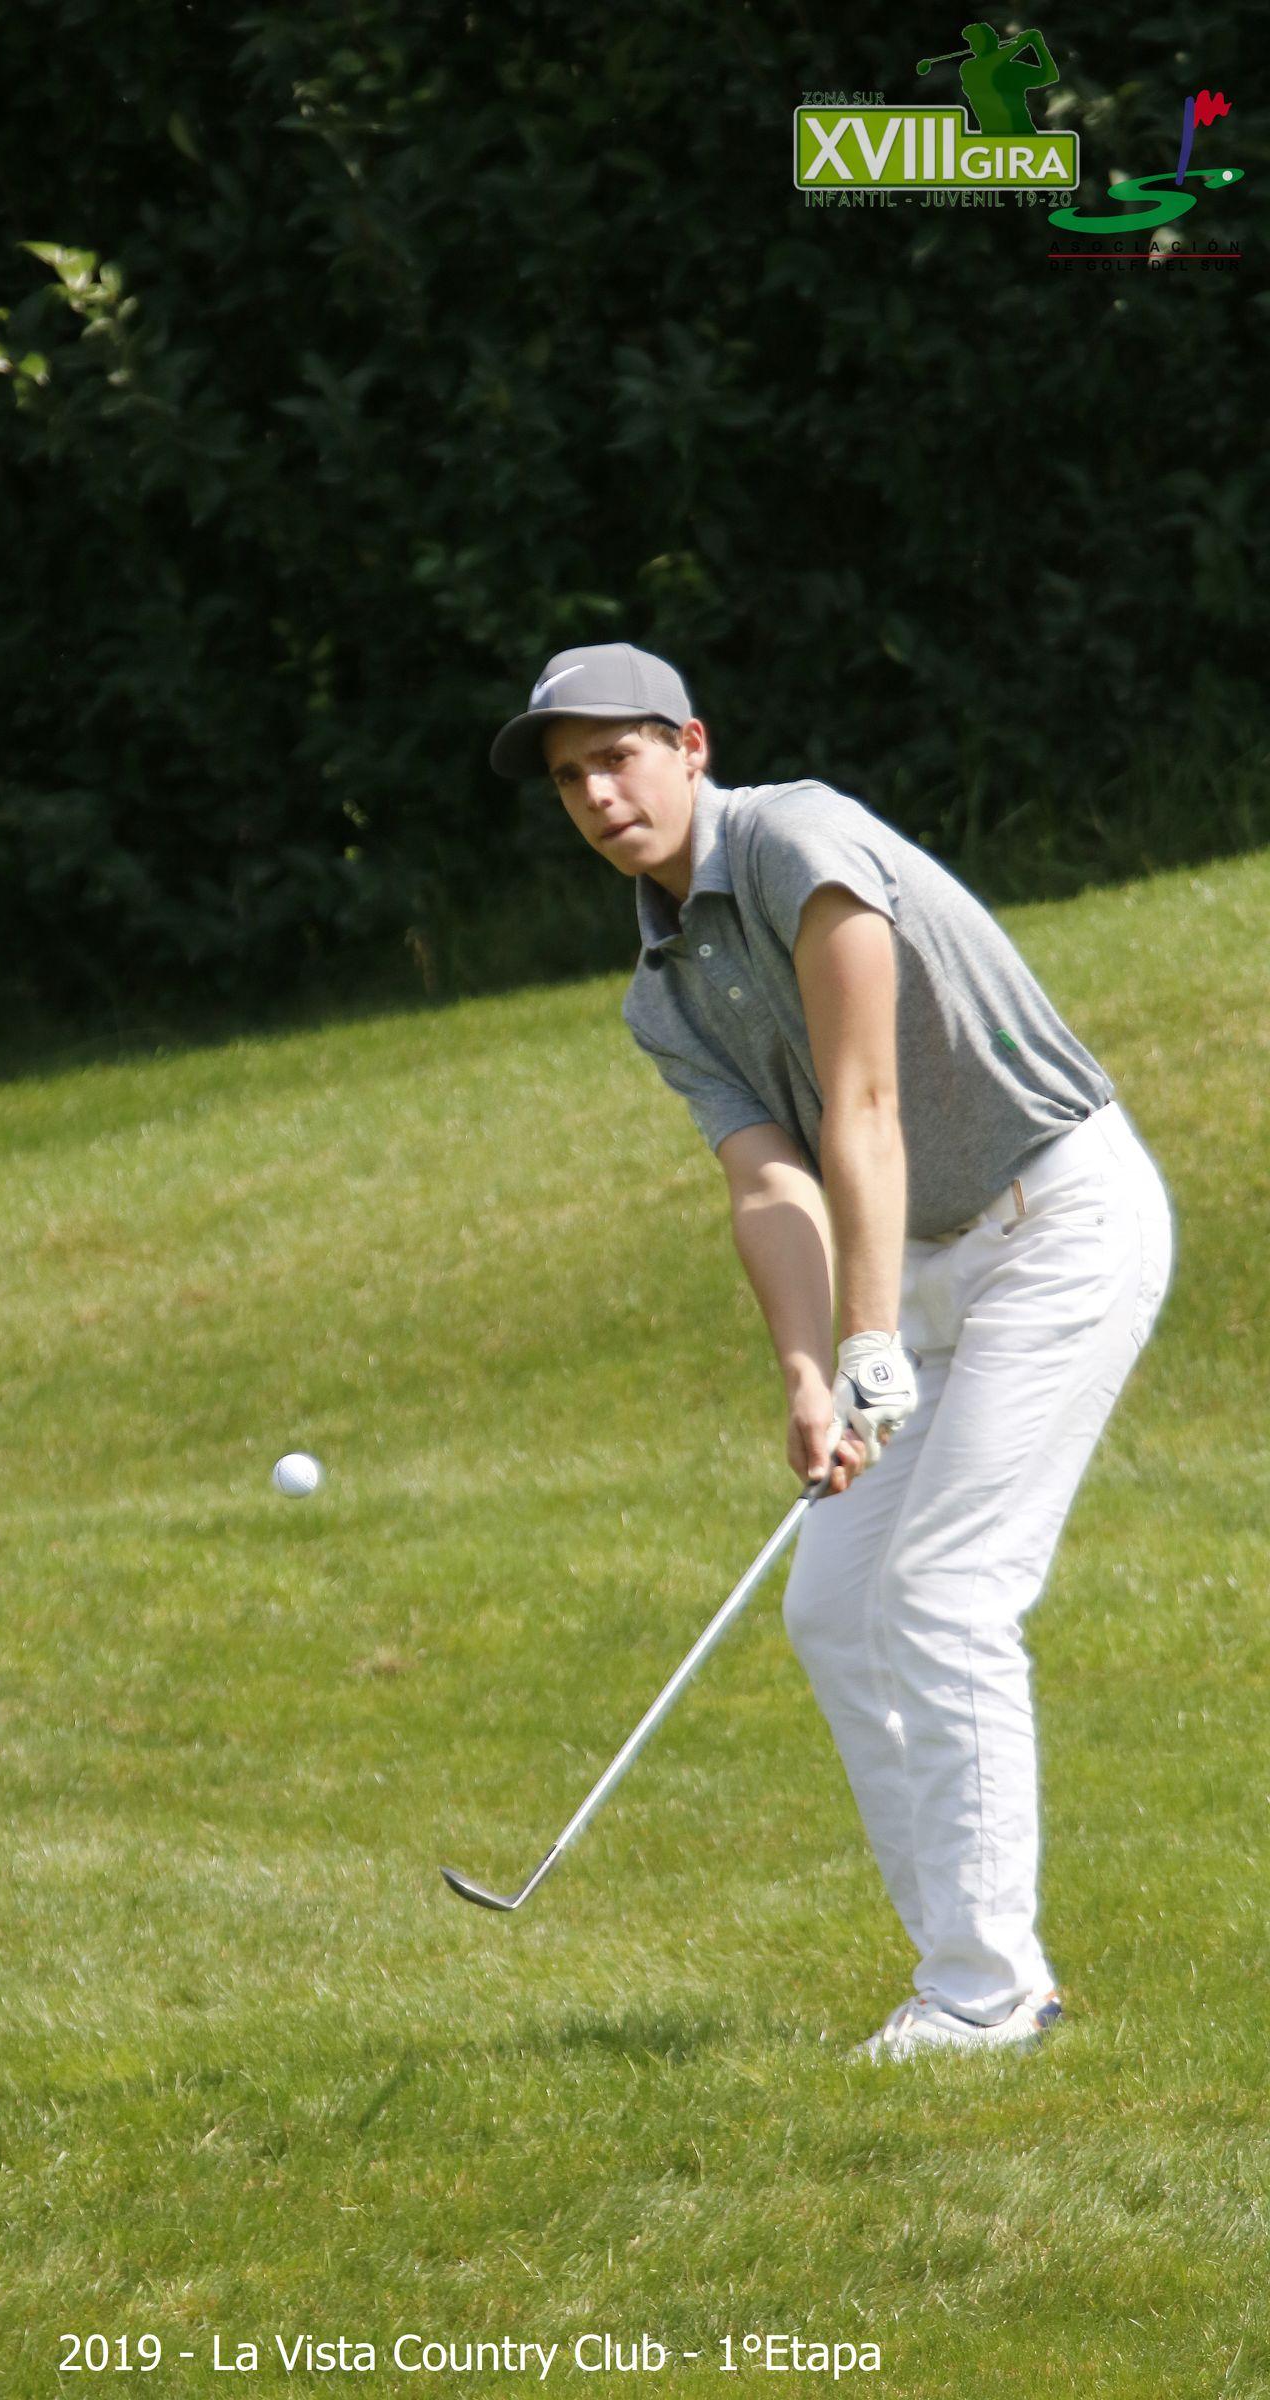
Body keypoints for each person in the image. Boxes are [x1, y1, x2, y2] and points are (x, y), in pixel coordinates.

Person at [489, 642, 1175, 2060]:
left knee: (946, 1591)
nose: (599, 795)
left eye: (619, 756)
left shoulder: (800, 841)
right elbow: (770, 1184)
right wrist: (812, 1372)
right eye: (568, 779)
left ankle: (987, 1997)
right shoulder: (662, 993)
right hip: (912, 1259)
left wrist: (868, 1335)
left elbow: (865, 1105)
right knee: (836, 1607)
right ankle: (971, 1970)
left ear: (690, 745)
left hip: (1059, 1217)